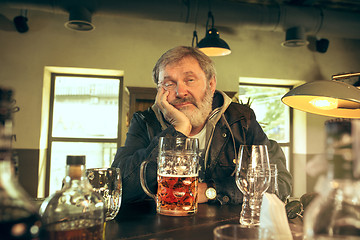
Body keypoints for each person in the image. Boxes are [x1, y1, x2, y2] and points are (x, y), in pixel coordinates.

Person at [112, 46, 292, 205]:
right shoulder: (145, 122)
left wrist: (210, 191)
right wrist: (177, 131)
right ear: (159, 90)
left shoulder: (241, 119)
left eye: (189, 80)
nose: (180, 92)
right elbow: (118, 188)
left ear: (211, 84)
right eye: (168, 83)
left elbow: (279, 184)